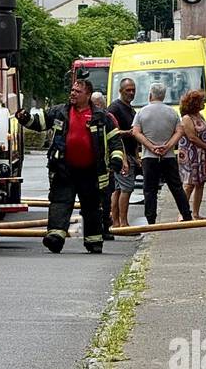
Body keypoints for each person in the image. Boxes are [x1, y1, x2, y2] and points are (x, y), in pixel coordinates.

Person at [16, 76, 128, 254]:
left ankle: (94, 241)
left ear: (88, 94)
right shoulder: (60, 111)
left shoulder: (102, 117)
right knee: (60, 202)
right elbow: (40, 123)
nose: (73, 94)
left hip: (91, 171)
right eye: (72, 90)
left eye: (78, 91)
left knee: (92, 207)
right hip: (64, 169)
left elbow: (115, 141)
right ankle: (55, 237)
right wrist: (25, 118)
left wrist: (116, 160)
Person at [132, 83, 192, 225]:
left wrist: (151, 146)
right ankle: (186, 213)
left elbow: (136, 132)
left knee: (150, 189)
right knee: (176, 187)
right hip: (168, 155)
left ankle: (151, 218)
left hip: (149, 156)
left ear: (150, 94)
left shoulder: (142, 112)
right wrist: (168, 145)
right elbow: (180, 131)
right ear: (164, 95)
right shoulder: (171, 112)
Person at [177, 89, 206, 218]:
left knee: (200, 183)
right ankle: (183, 213)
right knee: (189, 184)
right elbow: (192, 137)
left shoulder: (200, 116)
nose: (203, 103)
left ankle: (196, 213)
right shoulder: (187, 118)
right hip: (191, 154)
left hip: (201, 155)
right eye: (201, 101)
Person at [107, 76, 138, 230]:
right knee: (126, 188)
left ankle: (117, 222)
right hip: (121, 155)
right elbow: (112, 132)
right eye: (128, 90)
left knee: (119, 189)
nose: (131, 93)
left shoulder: (130, 109)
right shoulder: (114, 108)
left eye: (133, 90)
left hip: (130, 154)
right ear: (120, 91)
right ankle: (122, 223)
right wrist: (130, 133)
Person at [91, 90, 119, 240]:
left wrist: (117, 162)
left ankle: (105, 228)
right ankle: (95, 228)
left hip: (105, 168)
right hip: (90, 168)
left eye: (97, 105)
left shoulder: (108, 119)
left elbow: (116, 141)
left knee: (106, 199)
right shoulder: (87, 117)